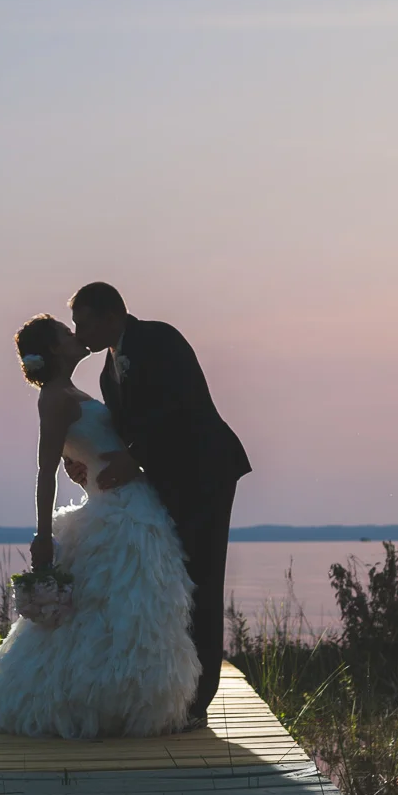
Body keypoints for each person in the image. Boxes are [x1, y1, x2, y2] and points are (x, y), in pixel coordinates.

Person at [0, 314, 201, 739]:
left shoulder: (77, 391)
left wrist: (84, 461)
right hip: (116, 509)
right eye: (66, 331)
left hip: (129, 502)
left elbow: (82, 450)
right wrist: (43, 535)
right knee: (117, 608)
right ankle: (99, 705)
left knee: (134, 609)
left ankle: (127, 704)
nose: (76, 334)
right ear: (56, 348)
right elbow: (45, 470)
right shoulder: (55, 398)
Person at [69, 283, 251, 729]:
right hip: (165, 484)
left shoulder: (159, 339)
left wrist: (136, 457)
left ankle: (199, 698)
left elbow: (180, 406)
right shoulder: (107, 373)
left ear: (109, 313)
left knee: (201, 579)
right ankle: (175, 690)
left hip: (204, 474)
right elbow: (119, 427)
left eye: (82, 321)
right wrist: (83, 459)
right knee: (174, 580)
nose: (78, 332)